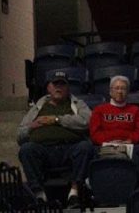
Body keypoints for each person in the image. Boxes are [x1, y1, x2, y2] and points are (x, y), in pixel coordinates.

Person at [17, 70, 93, 205]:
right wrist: (32, 126)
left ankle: (74, 192)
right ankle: (39, 194)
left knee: (85, 147)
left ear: (68, 87)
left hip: (69, 148)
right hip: (43, 149)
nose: (58, 87)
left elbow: (87, 121)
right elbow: (20, 134)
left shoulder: (77, 103)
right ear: (48, 87)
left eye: (62, 84)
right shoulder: (38, 106)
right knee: (26, 149)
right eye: (55, 84)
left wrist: (57, 119)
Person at [89, 74, 139, 182]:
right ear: (110, 91)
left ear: (127, 92)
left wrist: (129, 141)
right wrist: (110, 141)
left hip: (129, 146)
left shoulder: (136, 111)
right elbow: (95, 133)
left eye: (123, 88)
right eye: (116, 88)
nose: (120, 91)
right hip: (105, 146)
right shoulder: (99, 110)